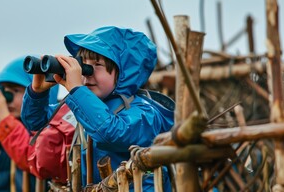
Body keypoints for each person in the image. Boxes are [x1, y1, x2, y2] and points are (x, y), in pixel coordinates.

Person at [21, 26, 175, 191]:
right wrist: (37, 93)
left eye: (97, 64)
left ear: (122, 73)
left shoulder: (145, 112)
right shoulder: (80, 104)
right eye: (83, 64)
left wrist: (77, 91)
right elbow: (36, 121)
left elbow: (111, 132)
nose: (86, 73)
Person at [0, 56, 59, 192]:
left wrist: (5, 118)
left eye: (15, 91)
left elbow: (31, 150)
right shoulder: (7, 125)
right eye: (4, 91)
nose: (6, 99)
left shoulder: (46, 129)